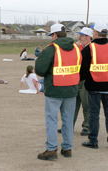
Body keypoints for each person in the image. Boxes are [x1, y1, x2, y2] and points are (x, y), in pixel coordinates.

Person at [35, 24, 81, 160]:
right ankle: (67, 148)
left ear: (54, 35)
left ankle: (51, 149)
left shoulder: (51, 49)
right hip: (71, 90)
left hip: (54, 90)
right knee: (68, 120)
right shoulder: (77, 49)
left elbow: (40, 69)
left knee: (51, 120)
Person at [57, 27, 93, 136]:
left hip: (85, 80)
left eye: (82, 36)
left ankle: (86, 126)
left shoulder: (91, 48)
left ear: (88, 37)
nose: (79, 37)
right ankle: (69, 126)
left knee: (86, 105)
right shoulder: (78, 47)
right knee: (73, 105)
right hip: (76, 79)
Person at [81, 22, 108, 149]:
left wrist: (83, 80)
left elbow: (83, 69)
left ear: (95, 33)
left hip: (93, 87)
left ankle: (93, 140)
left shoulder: (89, 49)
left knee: (93, 114)